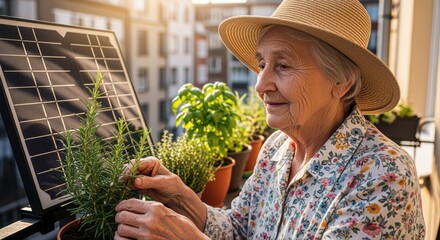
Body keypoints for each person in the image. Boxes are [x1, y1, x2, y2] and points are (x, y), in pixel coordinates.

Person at [114, 0, 426, 239]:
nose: (260, 85)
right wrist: (182, 199)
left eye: (284, 66)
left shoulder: (384, 174)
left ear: (342, 80)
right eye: (263, 63)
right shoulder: (278, 148)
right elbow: (240, 228)